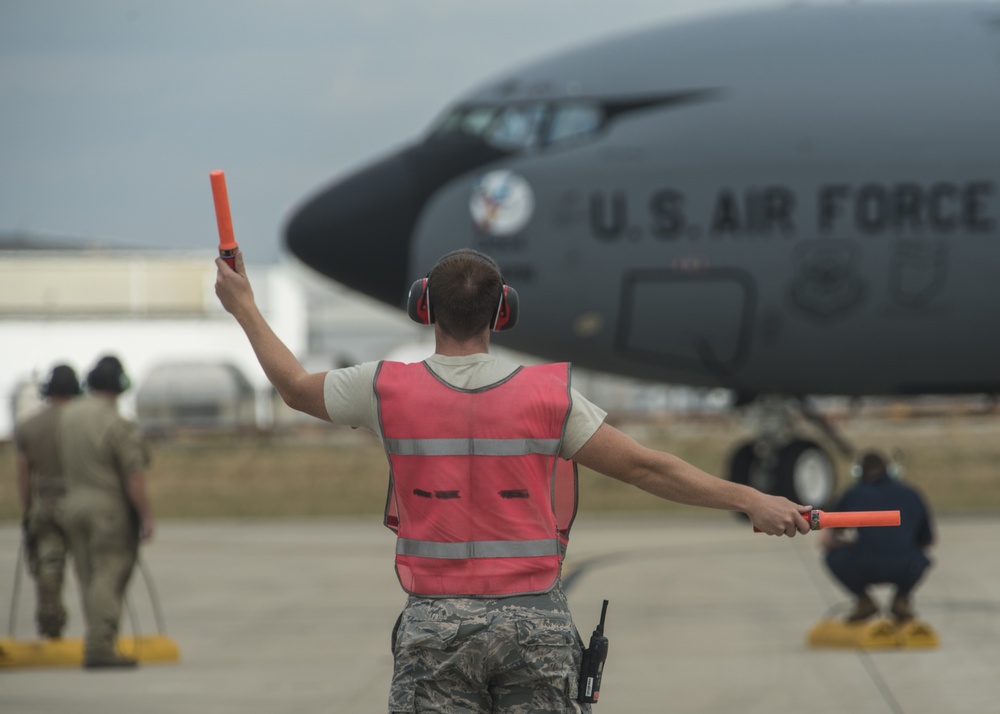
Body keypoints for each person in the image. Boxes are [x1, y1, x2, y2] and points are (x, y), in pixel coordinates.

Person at [215, 248, 810, 713]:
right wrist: (751, 499)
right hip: (536, 628)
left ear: (424, 307)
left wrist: (243, 303)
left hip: (436, 627)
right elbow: (646, 466)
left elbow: (293, 387)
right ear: (504, 311)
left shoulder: (383, 388)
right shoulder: (547, 397)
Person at [60, 355, 155, 669]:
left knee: (88, 575)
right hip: (107, 510)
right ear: (120, 385)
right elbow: (134, 475)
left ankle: (96, 637)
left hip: (72, 505)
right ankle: (100, 647)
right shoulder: (117, 423)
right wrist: (145, 515)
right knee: (108, 575)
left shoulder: (68, 417)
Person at [820, 450, 934, 623]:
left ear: (859, 472)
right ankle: (901, 599)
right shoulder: (911, 493)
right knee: (922, 558)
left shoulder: (853, 494)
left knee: (832, 557)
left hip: (865, 565)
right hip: (906, 567)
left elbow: (826, 540)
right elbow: (928, 541)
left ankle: (864, 601)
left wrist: (850, 544)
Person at [14, 364, 82, 639]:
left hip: (47, 504)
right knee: (90, 567)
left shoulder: (29, 426)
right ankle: (101, 627)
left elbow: (23, 472)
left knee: (48, 566)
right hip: (81, 502)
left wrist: (28, 510)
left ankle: (51, 623)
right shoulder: (84, 422)